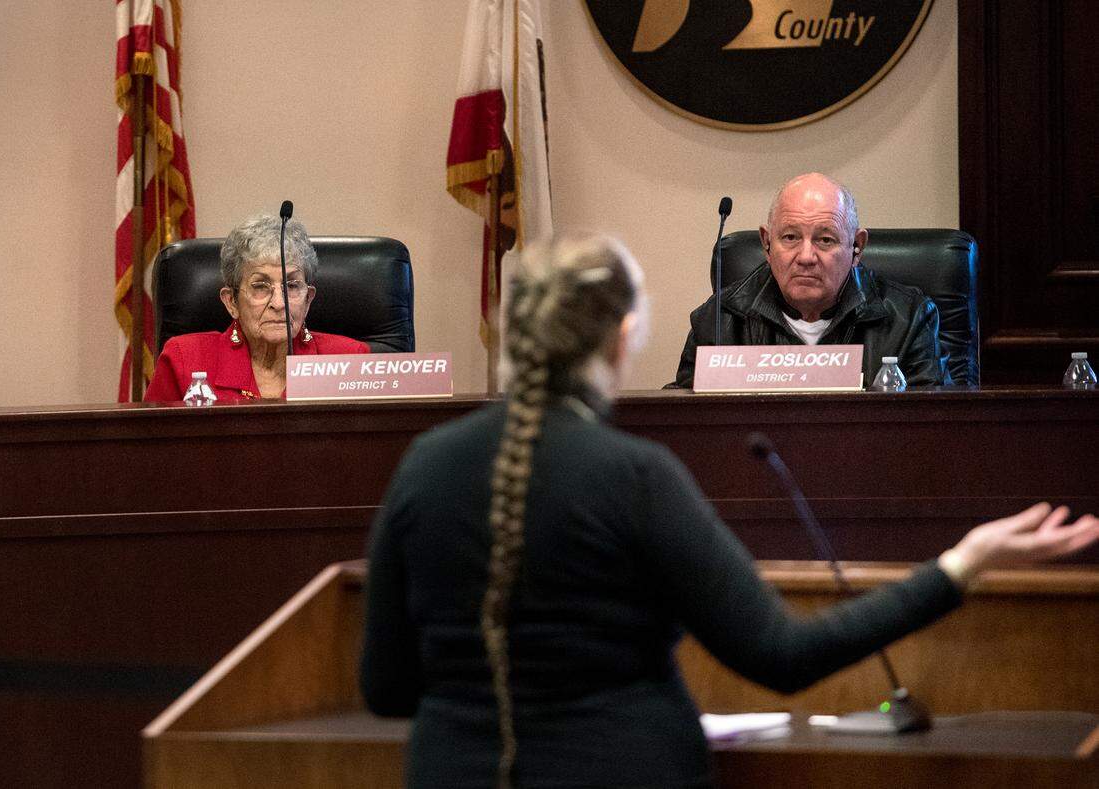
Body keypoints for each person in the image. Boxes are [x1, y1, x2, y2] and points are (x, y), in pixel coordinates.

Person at [360, 235, 1097, 789]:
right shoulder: (635, 477)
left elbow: (387, 688)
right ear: (622, 338)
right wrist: (959, 566)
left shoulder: (424, 465)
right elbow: (782, 656)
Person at [671, 173, 952, 389]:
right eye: (790, 237)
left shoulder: (909, 319)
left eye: (825, 239)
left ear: (857, 247)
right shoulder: (719, 320)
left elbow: (933, 429)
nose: (806, 257)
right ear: (767, 244)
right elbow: (687, 423)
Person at [145, 215, 369, 402]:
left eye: (291, 286)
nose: (279, 304)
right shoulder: (184, 360)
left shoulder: (350, 359)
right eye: (260, 286)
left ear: (308, 299)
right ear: (231, 301)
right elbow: (151, 449)